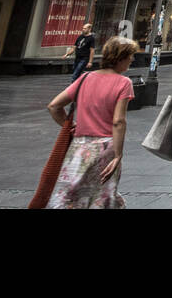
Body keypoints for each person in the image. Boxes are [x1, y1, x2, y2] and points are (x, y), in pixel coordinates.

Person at [45, 36, 137, 209]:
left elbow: (54, 106)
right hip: (105, 148)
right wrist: (118, 154)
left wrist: (69, 125)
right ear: (120, 57)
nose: (132, 60)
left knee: (71, 194)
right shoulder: (124, 83)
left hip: (79, 147)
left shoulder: (85, 78)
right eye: (130, 56)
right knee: (101, 196)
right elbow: (118, 121)